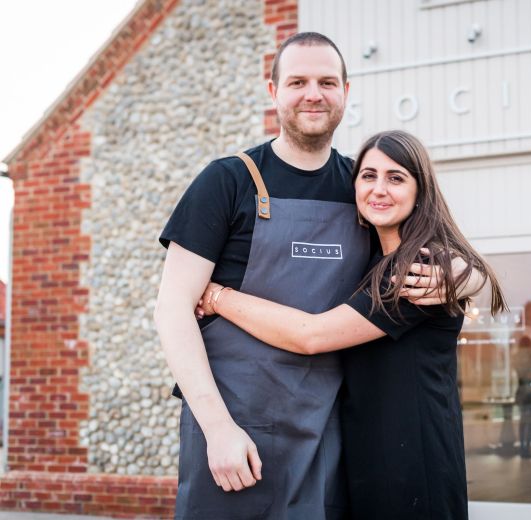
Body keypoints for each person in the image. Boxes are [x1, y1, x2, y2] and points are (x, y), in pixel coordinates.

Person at [155, 33, 481, 519]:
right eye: (298, 81)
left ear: (346, 92)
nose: (314, 93)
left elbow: (434, 243)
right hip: (238, 427)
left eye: (327, 81)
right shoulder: (227, 181)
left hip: (330, 434)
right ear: (273, 92)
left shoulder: (362, 187)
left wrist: (464, 273)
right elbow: (172, 308)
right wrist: (217, 428)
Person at [197, 130, 508, 520]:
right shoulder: (374, 259)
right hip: (368, 454)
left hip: (411, 462)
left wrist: (218, 297)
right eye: (368, 176)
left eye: (396, 178)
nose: (379, 189)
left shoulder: (418, 268)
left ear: (420, 190)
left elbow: (313, 335)